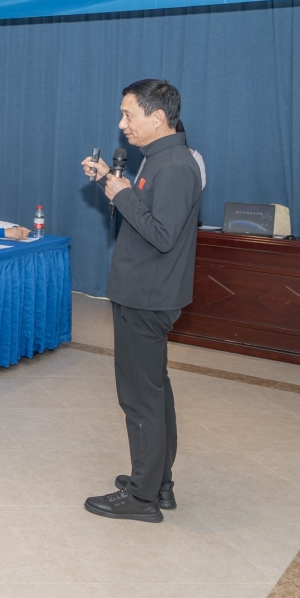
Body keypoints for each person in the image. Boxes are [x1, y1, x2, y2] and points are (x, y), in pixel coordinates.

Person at [81, 79, 202, 523]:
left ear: (158, 116)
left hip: (147, 294)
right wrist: (110, 182)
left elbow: (163, 235)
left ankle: (142, 497)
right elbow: (146, 213)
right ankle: (158, 481)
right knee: (153, 390)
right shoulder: (159, 158)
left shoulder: (175, 167)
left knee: (139, 397)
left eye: (128, 114)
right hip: (145, 289)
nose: (122, 123)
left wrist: (123, 194)